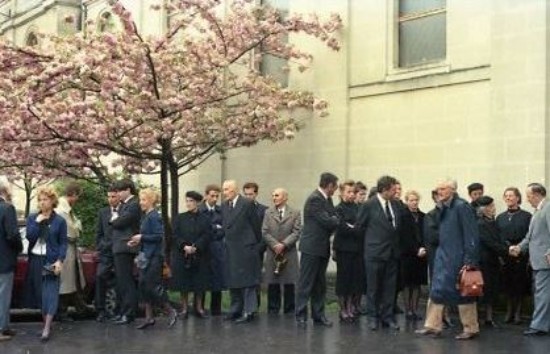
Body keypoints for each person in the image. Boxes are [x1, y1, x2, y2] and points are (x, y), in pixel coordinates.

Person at [416, 179, 480, 340]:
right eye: (438, 189)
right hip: (444, 257)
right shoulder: (444, 208)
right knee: (437, 289)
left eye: (443, 189)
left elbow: (471, 234)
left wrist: (470, 259)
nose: (439, 192)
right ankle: (432, 325)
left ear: (452, 190)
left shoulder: (461, 207)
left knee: (465, 291)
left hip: (458, 258)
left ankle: (471, 328)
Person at [127, 188, 177, 330]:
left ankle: (170, 310)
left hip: (154, 257)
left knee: (152, 286)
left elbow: (158, 236)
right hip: (145, 257)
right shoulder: (147, 216)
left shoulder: (154, 216)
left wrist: (141, 237)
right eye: (140, 200)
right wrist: (137, 241)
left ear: (151, 201)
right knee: (143, 286)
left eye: (143, 200)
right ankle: (149, 317)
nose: (140, 203)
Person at [356, 175, 402, 331]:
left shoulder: (395, 205)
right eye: (393, 190)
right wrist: (371, 243)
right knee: (373, 288)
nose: (396, 192)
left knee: (390, 287)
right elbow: (359, 227)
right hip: (374, 253)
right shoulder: (369, 205)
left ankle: (387, 317)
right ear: (384, 190)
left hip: (392, 253)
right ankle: (372, 317)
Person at [295, 172, 340, 327]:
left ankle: (318, 315)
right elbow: (328, 221)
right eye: (335, 187)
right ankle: (300, 314)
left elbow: (334, 217)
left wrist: (333, 219)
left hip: (322, 247)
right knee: (306, 282)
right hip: (312, 247)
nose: (335, 190)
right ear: (329, 186)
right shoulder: (315, 199)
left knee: (320, 284)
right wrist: (333, 219)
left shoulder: (327, 199)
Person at [26, 186, 67, 342]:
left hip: (52, 260)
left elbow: (63, 243)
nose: (42, 203)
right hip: (36, 259)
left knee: (50, 293)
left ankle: (47, 327)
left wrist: (60, 260)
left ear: (52, 201)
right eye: (40, 200)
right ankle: (46, 323)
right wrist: (37, 223)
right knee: (40, 295)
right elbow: (30, 237)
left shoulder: (60, 221)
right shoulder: (32, 218)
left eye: (45, 200)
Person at [509, 183, 550, 336]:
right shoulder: (538, 211)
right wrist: (519, 247)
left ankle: (539, 325)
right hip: (538, 260)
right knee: (541, 293)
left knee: (542, 294)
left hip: (544, 261)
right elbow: (530, 237)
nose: (527, 199)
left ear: (538, 194)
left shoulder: (547, 208)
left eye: (529, 196)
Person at [222, 180, 262, 324]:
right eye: (224, 189)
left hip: (245, 247)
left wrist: (253, 243)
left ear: (234, 190)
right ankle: (235, 309)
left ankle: (249, 310)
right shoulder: (225, 206)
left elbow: (256, 226)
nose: (224, 192)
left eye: (226, 189)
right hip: (231, 248)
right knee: (234, 280)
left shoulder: (246, 203)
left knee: (248, 282)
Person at [171, 191, 211, 319]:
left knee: (199, 283)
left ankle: (199, 307)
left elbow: (207, 235)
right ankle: (184, 308)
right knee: (184, 283)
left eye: (191, 201)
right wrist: (184, 246)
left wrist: (196, 246)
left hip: (199, 255)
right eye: (187, 201)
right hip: (183, 255)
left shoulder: (205, 219)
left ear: (198, 202)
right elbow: (175, 235)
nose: (188, 203)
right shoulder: (179, 218)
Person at [262, 188, 301, 315]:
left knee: (289, 282)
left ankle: (289, 309)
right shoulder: (268, 212)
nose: (274, 198)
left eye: (277, 195)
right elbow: (264, 231)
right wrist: (275, 245)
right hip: (273, 252)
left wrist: (284, 244)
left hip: (288, 252)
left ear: (285, 197)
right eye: (273, 195)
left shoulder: (295, 213)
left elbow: (297, 232)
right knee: (273, 282)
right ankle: (273, 309)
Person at [496, 187, 531, 324]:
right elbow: (497, 237)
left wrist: (520, 249)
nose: (509, 198)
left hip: (521, 255)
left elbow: (530, 236)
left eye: (511, 195)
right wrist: (505, 250)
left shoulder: (527, 216)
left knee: (520, 284)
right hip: (506, 255)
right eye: (506, 196)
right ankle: (509, 311)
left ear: (518, 198)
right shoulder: (500, 217)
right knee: (507, 284)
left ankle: (518, 313)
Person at [110, 179, 141, 325]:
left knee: (126, 281)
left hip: (125, 247)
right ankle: (123, 311)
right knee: (121, 281)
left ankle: (129, 313)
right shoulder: (125, 205)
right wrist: (116, 219)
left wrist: (114, 220)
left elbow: (120, 222)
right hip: (120, 246)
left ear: (128, 190)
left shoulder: (133, 204)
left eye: (120, 191)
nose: (118, 194)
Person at [333, 180, 364, 323]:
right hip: (344, 249)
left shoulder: (359, 208)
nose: (352, 195)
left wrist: (353, 227)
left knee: (354, 280)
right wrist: (353, 227)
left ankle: (351, 306)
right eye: (349, 192)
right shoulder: (338, 209)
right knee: (343, 280)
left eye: (353, 192)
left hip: (357, 249)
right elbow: (342, 227)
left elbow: (362, 225)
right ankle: (343, 308)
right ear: (341, 193)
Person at [476, 196, 509, 327]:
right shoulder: (480, 224)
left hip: (494, 261)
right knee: (481, 290)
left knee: (492, 290)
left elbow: (500, 239)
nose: (493, 209)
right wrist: (507, 251)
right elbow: (489, 242)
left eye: (493, 206)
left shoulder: (493, 222)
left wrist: (506, 247)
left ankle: (489, 318)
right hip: (484, 261)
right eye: (490, 207)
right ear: (483, 209)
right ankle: (478, 317)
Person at [56, 182, 86, 321]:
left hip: (69, 249)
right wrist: (78, 225)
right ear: (73, 195)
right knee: (66, 282)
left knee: (71, 281)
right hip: (66, 249)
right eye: (77, 196)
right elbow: (72, 230)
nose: (78, 200)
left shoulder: (65, 209)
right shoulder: (62, 211)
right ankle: (62, 312)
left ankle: (80, 308)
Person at [198, 184, 226, 316]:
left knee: (217, 280)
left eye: (217, 196)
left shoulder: (221, 211)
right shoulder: (199, 210)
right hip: (203, 249)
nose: (215, 199)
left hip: (217, 249)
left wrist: (214, 229)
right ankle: (200, 308)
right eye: (212, 195)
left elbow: (223, 230)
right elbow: (202, 230)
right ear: (206, 195)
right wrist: (216, 228)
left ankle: (216, 310)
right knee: (202, 278)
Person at [400, 190, 427, 321]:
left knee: (417, 284)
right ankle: (408, 311)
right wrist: (415, 250)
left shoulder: (423, 216)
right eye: (411, 200)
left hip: (421, 255)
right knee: (407, 284)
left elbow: (426, 235)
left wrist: (423, 249)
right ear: (406, 201)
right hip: (407, 254)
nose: (414, 202)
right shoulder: (403, 216)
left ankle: (414, 310)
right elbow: (403, 237)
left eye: (416, 200)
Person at [94, 185, 120, 322]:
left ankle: (119, 311)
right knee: (100, 277)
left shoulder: (125, 211)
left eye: (113, 196)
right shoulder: (103, 212)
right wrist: (101, 246)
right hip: (105, 253)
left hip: (120, 252)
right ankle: (100, 310)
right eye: (109, 196)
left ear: (119, 197)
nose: (110, 199)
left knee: (121, 280)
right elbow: (98, 233)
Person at [0, 182, 22, 341]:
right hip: (4, 259)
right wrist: (19, 248)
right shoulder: (7, 208)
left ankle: (5, 327)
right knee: (3, 295)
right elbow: (13, 235)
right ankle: (2, 328)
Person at [243, 181, 268, 309]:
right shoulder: (239, 208)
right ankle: (244, 307)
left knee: (255, 279)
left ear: (256, 194)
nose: (248, 197)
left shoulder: (263, 210)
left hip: (257, 250)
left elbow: (265, 231)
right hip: (242, 250)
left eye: (251, 194)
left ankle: (255, 307)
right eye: (246, 194)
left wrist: (259, 249)